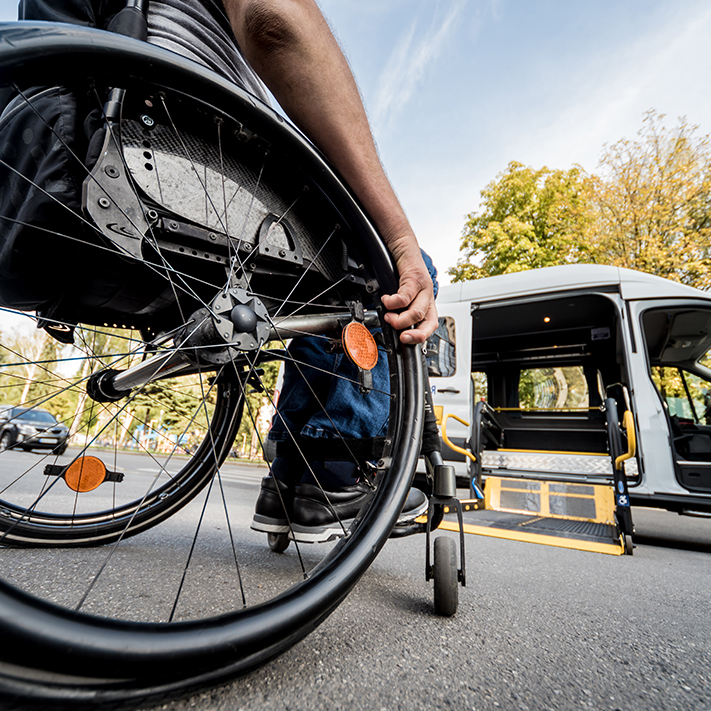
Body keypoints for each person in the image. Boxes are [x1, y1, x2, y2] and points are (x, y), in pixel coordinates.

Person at [18, 0, 439, 539]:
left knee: (319, 254)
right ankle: (325, 475)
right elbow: (273, 20)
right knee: (389, 261)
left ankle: (294, 480)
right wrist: (398, 236)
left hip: (65, 149)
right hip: (179, 149)